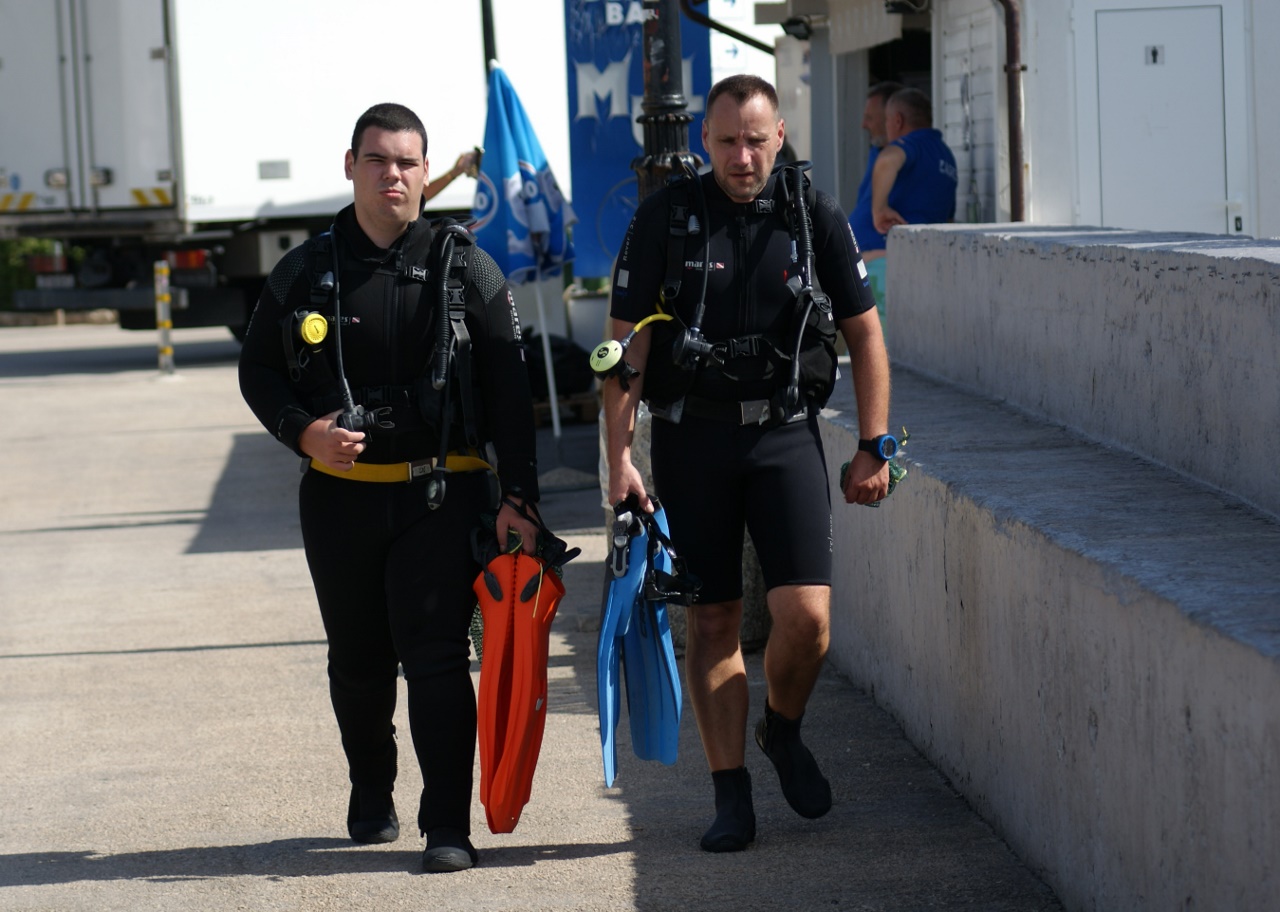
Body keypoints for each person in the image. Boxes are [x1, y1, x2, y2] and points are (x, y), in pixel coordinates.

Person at [238, 103, 541, 873]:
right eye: (377, 160)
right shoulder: (305, 270)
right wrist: (302, 432)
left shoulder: (465, 268)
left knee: (436, 658)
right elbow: (258, 370)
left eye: (407, 162)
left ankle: (448, 827)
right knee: (359, 663)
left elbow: (511, 393)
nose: (392, 175)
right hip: (339, 498)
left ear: (426, 171)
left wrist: (521, 498)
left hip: (441, 495)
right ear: (351, 166)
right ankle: (372, 783)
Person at [602, 75, 893, 853]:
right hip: (692, 439)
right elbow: (626, 347)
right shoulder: (666, 218)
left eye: (756, 141)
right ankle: (730, 793)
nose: (741, 156)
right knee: (714, 619)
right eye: (727, 141)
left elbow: (865, 333)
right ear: (704, 139)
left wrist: (874, 444)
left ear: (780, 136)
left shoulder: (811, 215)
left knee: (808, 620)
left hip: (783, 434)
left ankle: (782, 729)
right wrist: (619, 460)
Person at [870, 87, 958, 240]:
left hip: (895, 246)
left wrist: (879, 210)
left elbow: (887, 161)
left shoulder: (913, 145)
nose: (886, 127)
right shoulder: (946, 156)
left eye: (887, 121)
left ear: (898, 120)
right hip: (927, 245)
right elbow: (949, 218)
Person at [847, 81, 904, 313]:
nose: (864, 125)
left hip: (882, 269)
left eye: (870, 118)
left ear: (893, 118)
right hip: (864, 265)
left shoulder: (906, 157)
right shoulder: (877, 152)